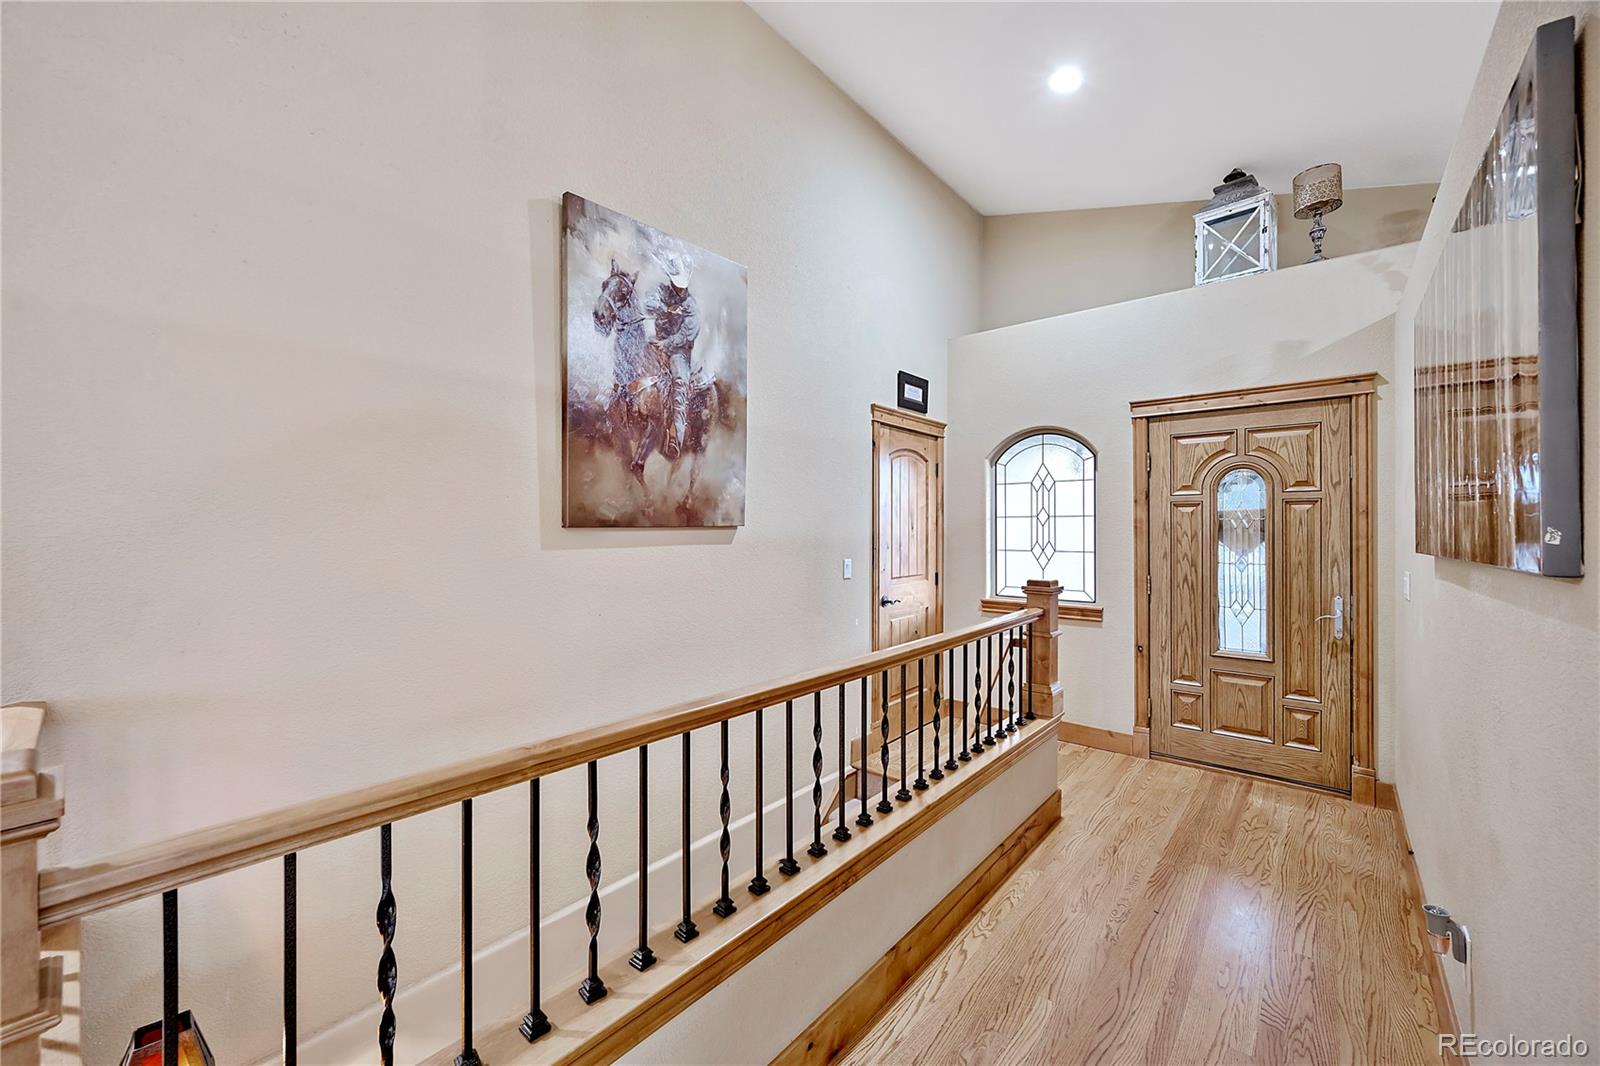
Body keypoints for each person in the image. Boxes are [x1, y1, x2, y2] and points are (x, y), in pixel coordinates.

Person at [645, 247, 700, 459]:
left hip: (677, 352)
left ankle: (676, 438)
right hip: (658, 343)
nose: (679, 290)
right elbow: (649, 304)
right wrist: (664, 309)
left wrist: (665, 343)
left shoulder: (692, 307)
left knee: (679, 385)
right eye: (676, 285)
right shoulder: (662, 291)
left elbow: (686, 335)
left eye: (681, 287)